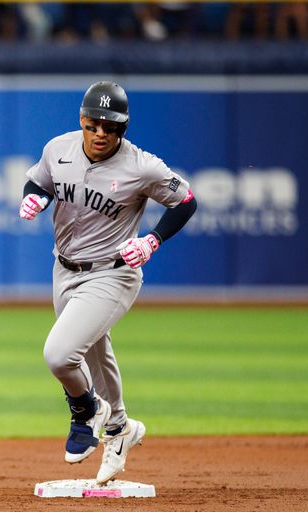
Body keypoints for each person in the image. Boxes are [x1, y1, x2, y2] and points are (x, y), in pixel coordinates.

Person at [19, 81, 197, 484]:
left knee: (60, 355)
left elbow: (185, 201)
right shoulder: (57, 148)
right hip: (64, 269)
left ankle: (85, 410)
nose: (100, 133)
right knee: (98, 356)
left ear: (124, 127)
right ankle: (119, 430)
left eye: (110, 126)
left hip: (113, 271)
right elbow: (40, 181)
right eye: (93, 123)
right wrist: (35, 196)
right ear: (82, 120)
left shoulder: (141, 166)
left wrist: (152, 240)